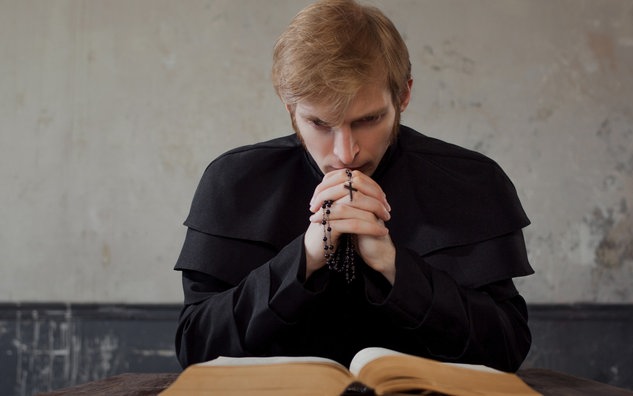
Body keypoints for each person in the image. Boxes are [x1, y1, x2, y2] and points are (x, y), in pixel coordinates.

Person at [174, 0, 534, 373]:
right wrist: (305, 259)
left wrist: (396, 268)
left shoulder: (473, 182)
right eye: (319, 123)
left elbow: (507, 347)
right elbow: (196, 345)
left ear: (404, 96)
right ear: (288, 104)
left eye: (370, 119)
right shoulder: (233, 182)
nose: (346, 152)